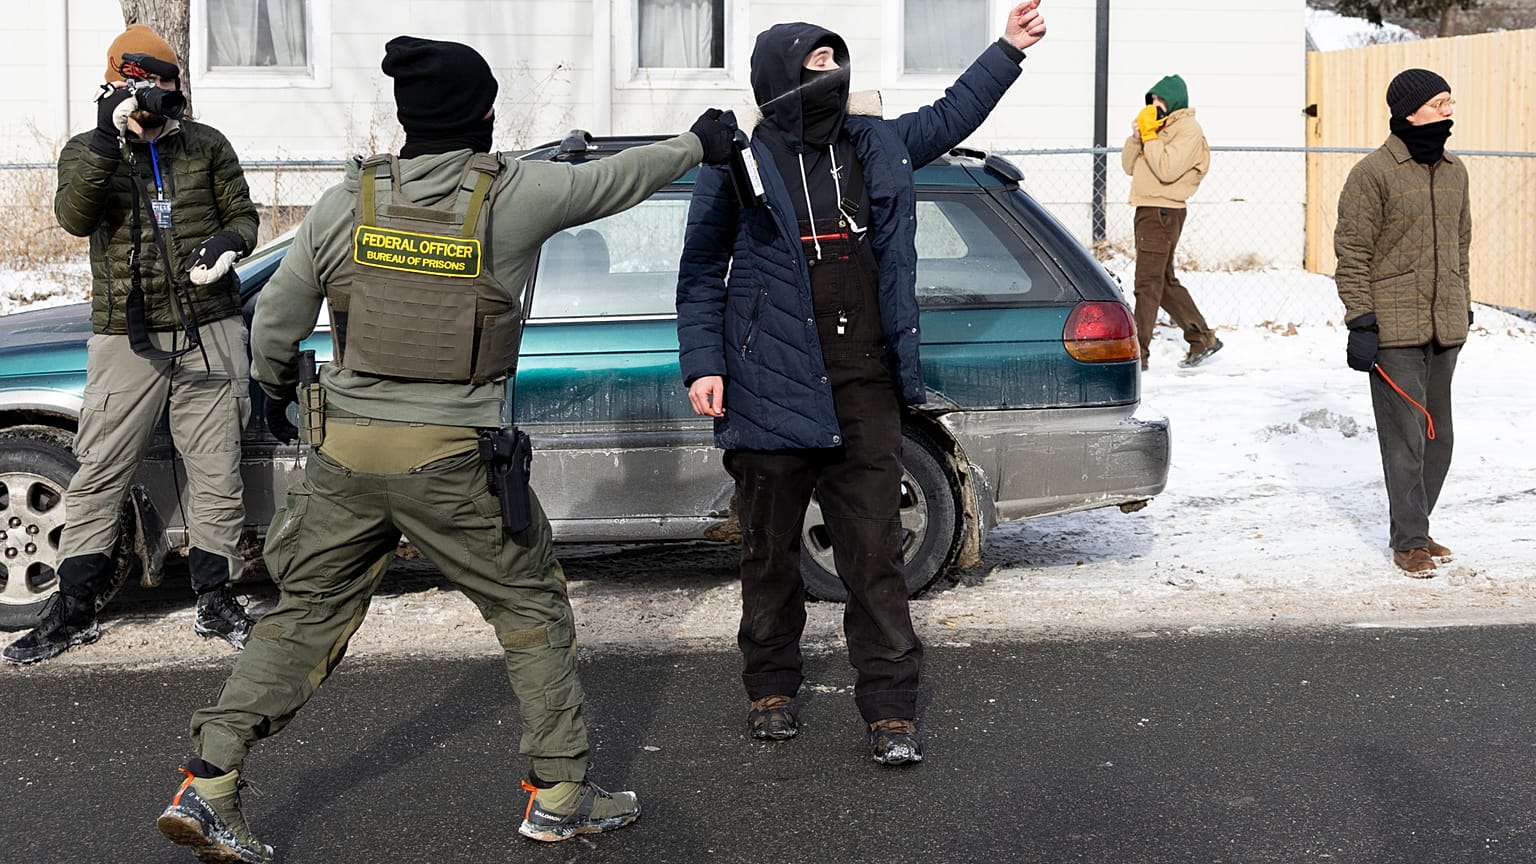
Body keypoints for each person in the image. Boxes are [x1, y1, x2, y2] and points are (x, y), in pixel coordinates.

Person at [154, 35, 734, 862]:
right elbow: (615, 182)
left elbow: (275, 322)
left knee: (305, 618)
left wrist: (277, 396)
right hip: (453, 459)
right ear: (485, 116)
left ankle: (207, 785)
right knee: (531, 610)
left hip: (344, 457)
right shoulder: (515, 194)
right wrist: (697, 143)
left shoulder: (345, 201)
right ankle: (559, 798)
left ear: (405, 117)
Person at [675, 2, 1047, 766]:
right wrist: (704, 361)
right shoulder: (739, 160)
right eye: (815, 68)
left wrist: (1006, 50)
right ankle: (771, 686)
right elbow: (701, 271)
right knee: (770, 549)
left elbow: (949, 116)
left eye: (836, 65)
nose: (831, 79)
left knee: (874, 553)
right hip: (769, 381)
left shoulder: (874, 143)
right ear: (779, 79)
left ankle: (889, 708)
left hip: (864, 379)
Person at [4, 25, 258, 665]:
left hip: (210, 326)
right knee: (99, 469)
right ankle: (75, 608)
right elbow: (74, 217)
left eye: (167, 85)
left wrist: (231, 244)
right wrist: (104, 138)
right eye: (142, 86)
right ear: (115, 85)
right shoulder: (92, 149)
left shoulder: (207, 145)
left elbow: (244, 216)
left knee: (216, 468)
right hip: (127, 333)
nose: (157, 99)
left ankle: (217, 596)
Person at [1334, 68, 1470, 577]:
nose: (1448, 111)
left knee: (1440, 439)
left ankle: (1417, 526)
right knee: (1405, 440)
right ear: (1410, 110)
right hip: (1392, 329)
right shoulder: (1374, 173)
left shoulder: (1456, 171)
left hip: (1445, 326)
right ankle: (1409, 540)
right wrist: (1361, 320)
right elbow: (1352, 252)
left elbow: (1461, 246)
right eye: (1439, 103)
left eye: (1450, 102)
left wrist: (1464, 302)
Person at [1120, 73, 1222, 370]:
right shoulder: (1160, 129)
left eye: (1160, 99)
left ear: (1175, 99)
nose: (1155, 105)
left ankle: (1138, 354)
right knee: (1162, 282)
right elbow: (1129, 166)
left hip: (1162, 212)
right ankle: (1202, 338)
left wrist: (1150, 138)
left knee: (1147, 283)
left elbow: (1166, 169)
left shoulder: (1187, 129)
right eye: (1151, 100)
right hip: (1148, 209)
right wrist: (1137, 137)